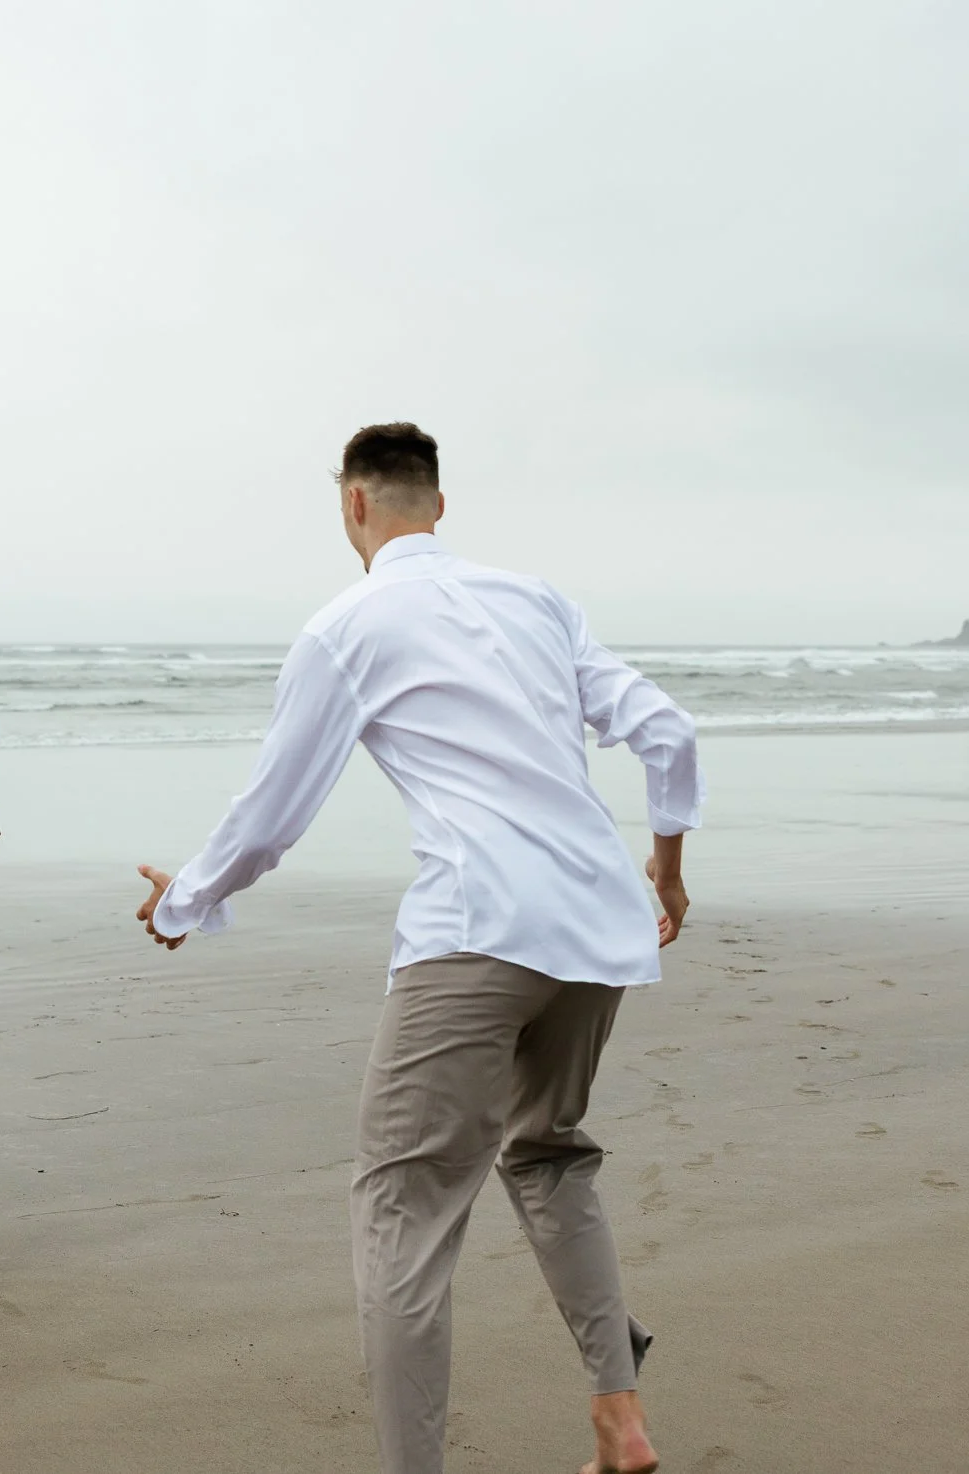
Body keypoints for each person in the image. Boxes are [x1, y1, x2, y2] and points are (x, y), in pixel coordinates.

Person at [134, 424, 700, 1474]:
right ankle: (620, 1420)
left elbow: (272, 812)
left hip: (478, 931)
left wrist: (187, 901)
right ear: (437, 505)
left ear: (353, 506)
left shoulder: (347, 626)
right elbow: (668, 732)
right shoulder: (537, 599)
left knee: (403, 1208)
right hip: (597, 925)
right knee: (548, 1151)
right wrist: (664, 867)